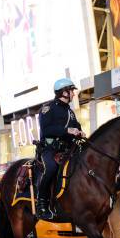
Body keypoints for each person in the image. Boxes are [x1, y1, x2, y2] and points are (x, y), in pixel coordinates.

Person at [36, 78, 86, 220]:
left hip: (68, 150)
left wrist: (80, 132)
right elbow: (46, 130)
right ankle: (42, 204)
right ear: (64, 92)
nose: (74, 94)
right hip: (50, 150)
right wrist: (67, 130)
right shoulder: (48, 108)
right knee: (51, 169)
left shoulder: (70, 112)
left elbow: (77, 126)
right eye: (72, 91)